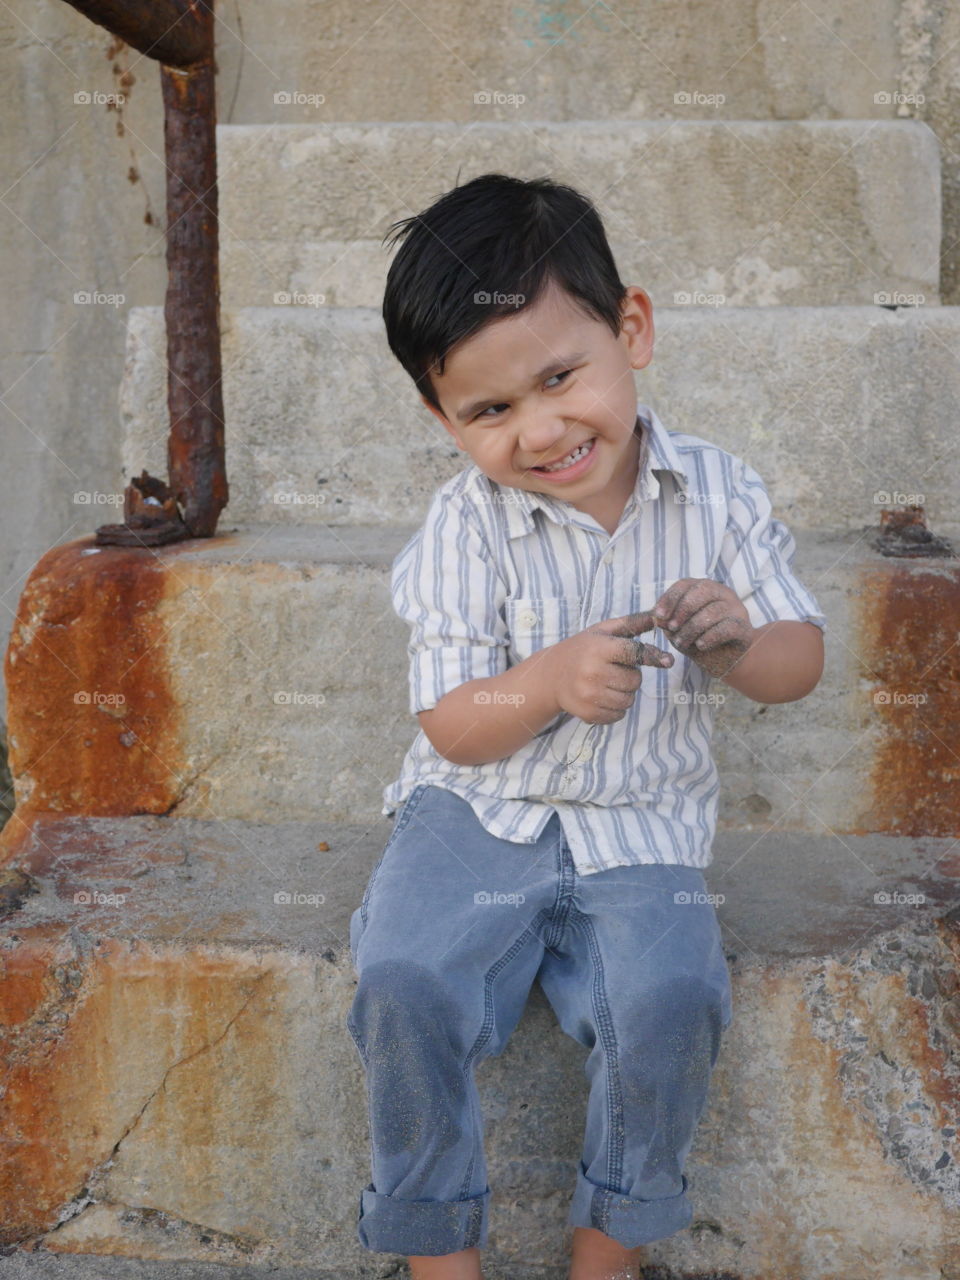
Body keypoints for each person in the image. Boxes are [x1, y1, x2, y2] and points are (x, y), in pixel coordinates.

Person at [346, 173, 826, 1280]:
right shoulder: (466, 524)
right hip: (477, 813)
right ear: (441, 417)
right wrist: (551, 679)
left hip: (643, 825)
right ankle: (437, 1254)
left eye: (562, 376)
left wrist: (738, 646)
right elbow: (457, 726)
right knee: (405, 978)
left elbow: (798, 664)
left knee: (672, 998)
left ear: (633, 330)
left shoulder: (716, 492)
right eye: (491, 410)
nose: (544, 428)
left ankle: (605, 1250)